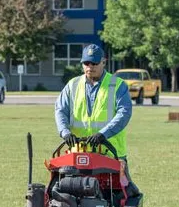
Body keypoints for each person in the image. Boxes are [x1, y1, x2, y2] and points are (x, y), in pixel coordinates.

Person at [54, 43, 140, 198]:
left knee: (126, 197)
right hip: (78, 154)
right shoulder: (72, 85)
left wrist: (103, 134)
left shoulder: (117, 85)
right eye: (86, 63)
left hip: (111, 154)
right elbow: (60, 110)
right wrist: (65, 132)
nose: (90, 67)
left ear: (103, 62)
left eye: (94, 63)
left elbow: (124, 113)